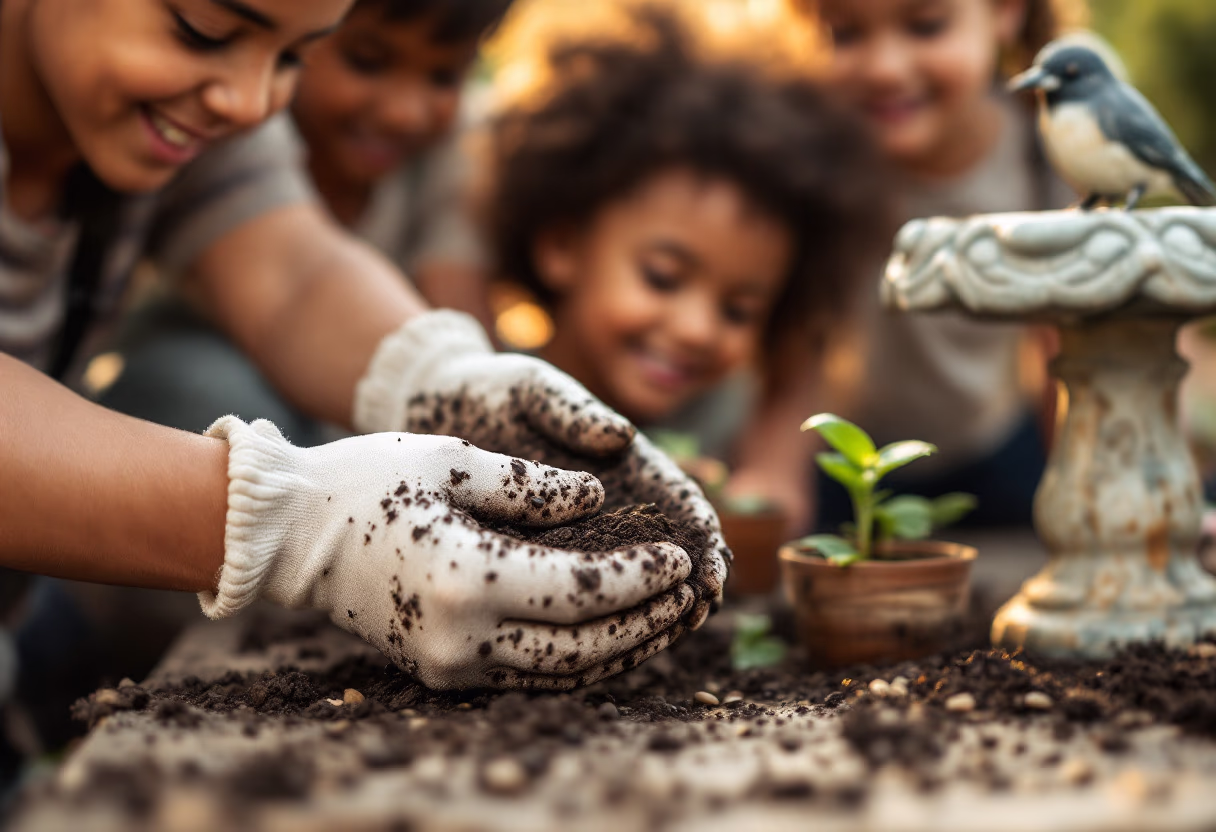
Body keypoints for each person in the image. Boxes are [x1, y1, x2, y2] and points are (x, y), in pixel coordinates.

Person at [0, 0, 726, 711]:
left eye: (292, 55)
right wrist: (296, 523)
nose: (252, 103)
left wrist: (445, 382)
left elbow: (291, 273)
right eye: (204, 30)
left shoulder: (194, 106)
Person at [484, 9, 891, 517]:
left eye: (738, 311)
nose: (697, 329)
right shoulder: (491, 398)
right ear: (562, 246)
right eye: (662, 279)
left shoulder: (733, 419)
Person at [99, 0, 508, 445]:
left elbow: (454, 302)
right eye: (366, 62)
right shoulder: (234, 124)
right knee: (215, 393)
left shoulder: (451, 149)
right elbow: (289, 281)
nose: (403, 112)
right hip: (211, 369)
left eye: (443, 77)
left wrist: (481, 404)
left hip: (355, 376)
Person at [795, 0, 1085, 529]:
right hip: (849, 461)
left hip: (999, 451)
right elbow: (796, 333)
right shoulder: (815, 157)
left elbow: (1069, 344)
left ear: (1004, 13)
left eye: (926, 26)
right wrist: (775, 474)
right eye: (844, 33)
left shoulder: (1046, 151)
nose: (884, 67)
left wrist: (1082, 485)